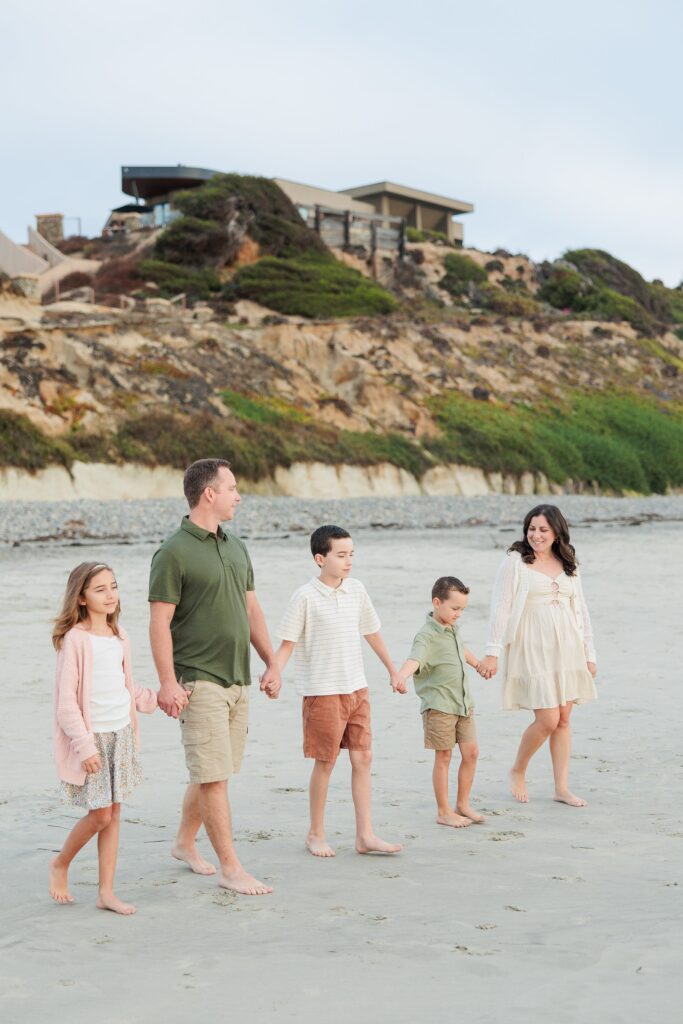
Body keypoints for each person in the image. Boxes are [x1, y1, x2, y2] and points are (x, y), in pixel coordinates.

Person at [148, 458, 280, 896]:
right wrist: (167, 682)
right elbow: (159, 623)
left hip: (237, 678)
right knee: (213, 777)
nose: (238, 496)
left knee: (213, 772)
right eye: (232, 488)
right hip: (197, 679)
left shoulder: (237, 546)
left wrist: (271, 662)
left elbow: (252, 610)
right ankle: (230, 868)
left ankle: (185, 844)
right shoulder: (172, 552)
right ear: (209, 494)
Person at [274, 525, 404, 858]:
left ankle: (366, 835)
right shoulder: (304, 596)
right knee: (326, 762)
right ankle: (315, 833)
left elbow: (371, 633)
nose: (349, 561)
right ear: (320, 558)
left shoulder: (357, 590)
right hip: (322, 691)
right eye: (341, 555)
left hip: (356, 688)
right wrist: (273, 673)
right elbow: (287, 643)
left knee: (363, 758)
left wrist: (392, 669)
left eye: (351, 554)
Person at [49, 562, 157, 914]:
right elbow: (66, 705)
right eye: (100, 589)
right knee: (99, 816)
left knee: (113, 814)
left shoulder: (120, 635)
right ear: (80, 598)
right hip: (92, 740)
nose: (110, 594)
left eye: (113, 586)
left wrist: (156, 699)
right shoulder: (76, 641)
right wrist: (84, 747)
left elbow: (124, 686)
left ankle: (106, 892)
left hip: (121, 735)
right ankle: (60, 863)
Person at [478, 504, 597, 806]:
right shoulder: (515, 561)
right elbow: (500, 607)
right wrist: (492, 652)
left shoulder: (569, 562)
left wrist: (589, 653)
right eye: (532, 528)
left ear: (557, 531)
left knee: (564, 719)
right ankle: (518, 769)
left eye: (543, 529)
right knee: (547, 718)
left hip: (568, 648)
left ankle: (561, 788)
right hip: (532, 646)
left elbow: (581, 609)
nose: (536, 535)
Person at [398, 576, 486, 828]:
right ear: (437, 603)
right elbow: (415, 659)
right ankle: (443, 811)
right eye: (455, 608)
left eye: (462, 609)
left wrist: (478, 664)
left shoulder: (453, 628)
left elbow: (461, 649)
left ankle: (463, 804)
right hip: (439, 706)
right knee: (444, 756)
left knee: (472, 752)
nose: (459, 614)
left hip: (462, 703)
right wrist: (401, 676)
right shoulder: (426, 635)